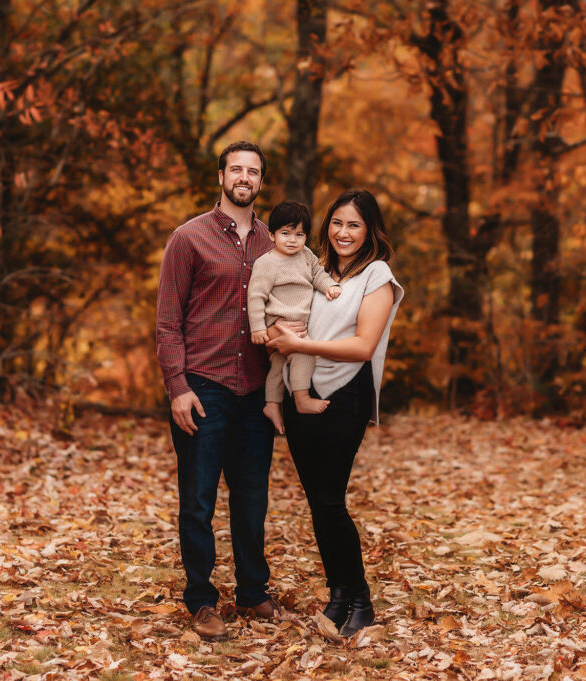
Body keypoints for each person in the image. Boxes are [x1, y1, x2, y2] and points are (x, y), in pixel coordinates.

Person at [156, 141, 299, 640]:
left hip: (257, 392)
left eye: (253, 170)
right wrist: (177, 386)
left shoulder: (276, 243)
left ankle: (253, 592)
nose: (244, 177)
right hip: (204, 388)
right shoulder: (188, 239)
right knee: (197, 498)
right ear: (221, 176)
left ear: (262, 181)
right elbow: (168, 322)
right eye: (235, 169)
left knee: (252, 498)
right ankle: (200, 600)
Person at [266, 188, 404, 637]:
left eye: (355, 224)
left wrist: (299, 344)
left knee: (330, 500)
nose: (344, 232)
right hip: (298, 391)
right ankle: (338, 595)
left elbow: (363, 346)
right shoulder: (314, 268)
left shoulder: (376, 275)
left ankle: (360, 600)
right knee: (318, 503)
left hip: (343, 396)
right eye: (338, 223)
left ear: (370, 231)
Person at [248, 200, 342, 435]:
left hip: (298, 322)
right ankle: (302, 399)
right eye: (286, 233)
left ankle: (271, 404)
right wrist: (258, 328)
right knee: (304, 352)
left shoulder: (306, 256)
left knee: (278, 366)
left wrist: (329, 286)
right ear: (271, 235)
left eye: (299, 234)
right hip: (278, 321)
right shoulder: (266, 263)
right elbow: (256, 297)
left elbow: (318, 274)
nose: (292, 240)